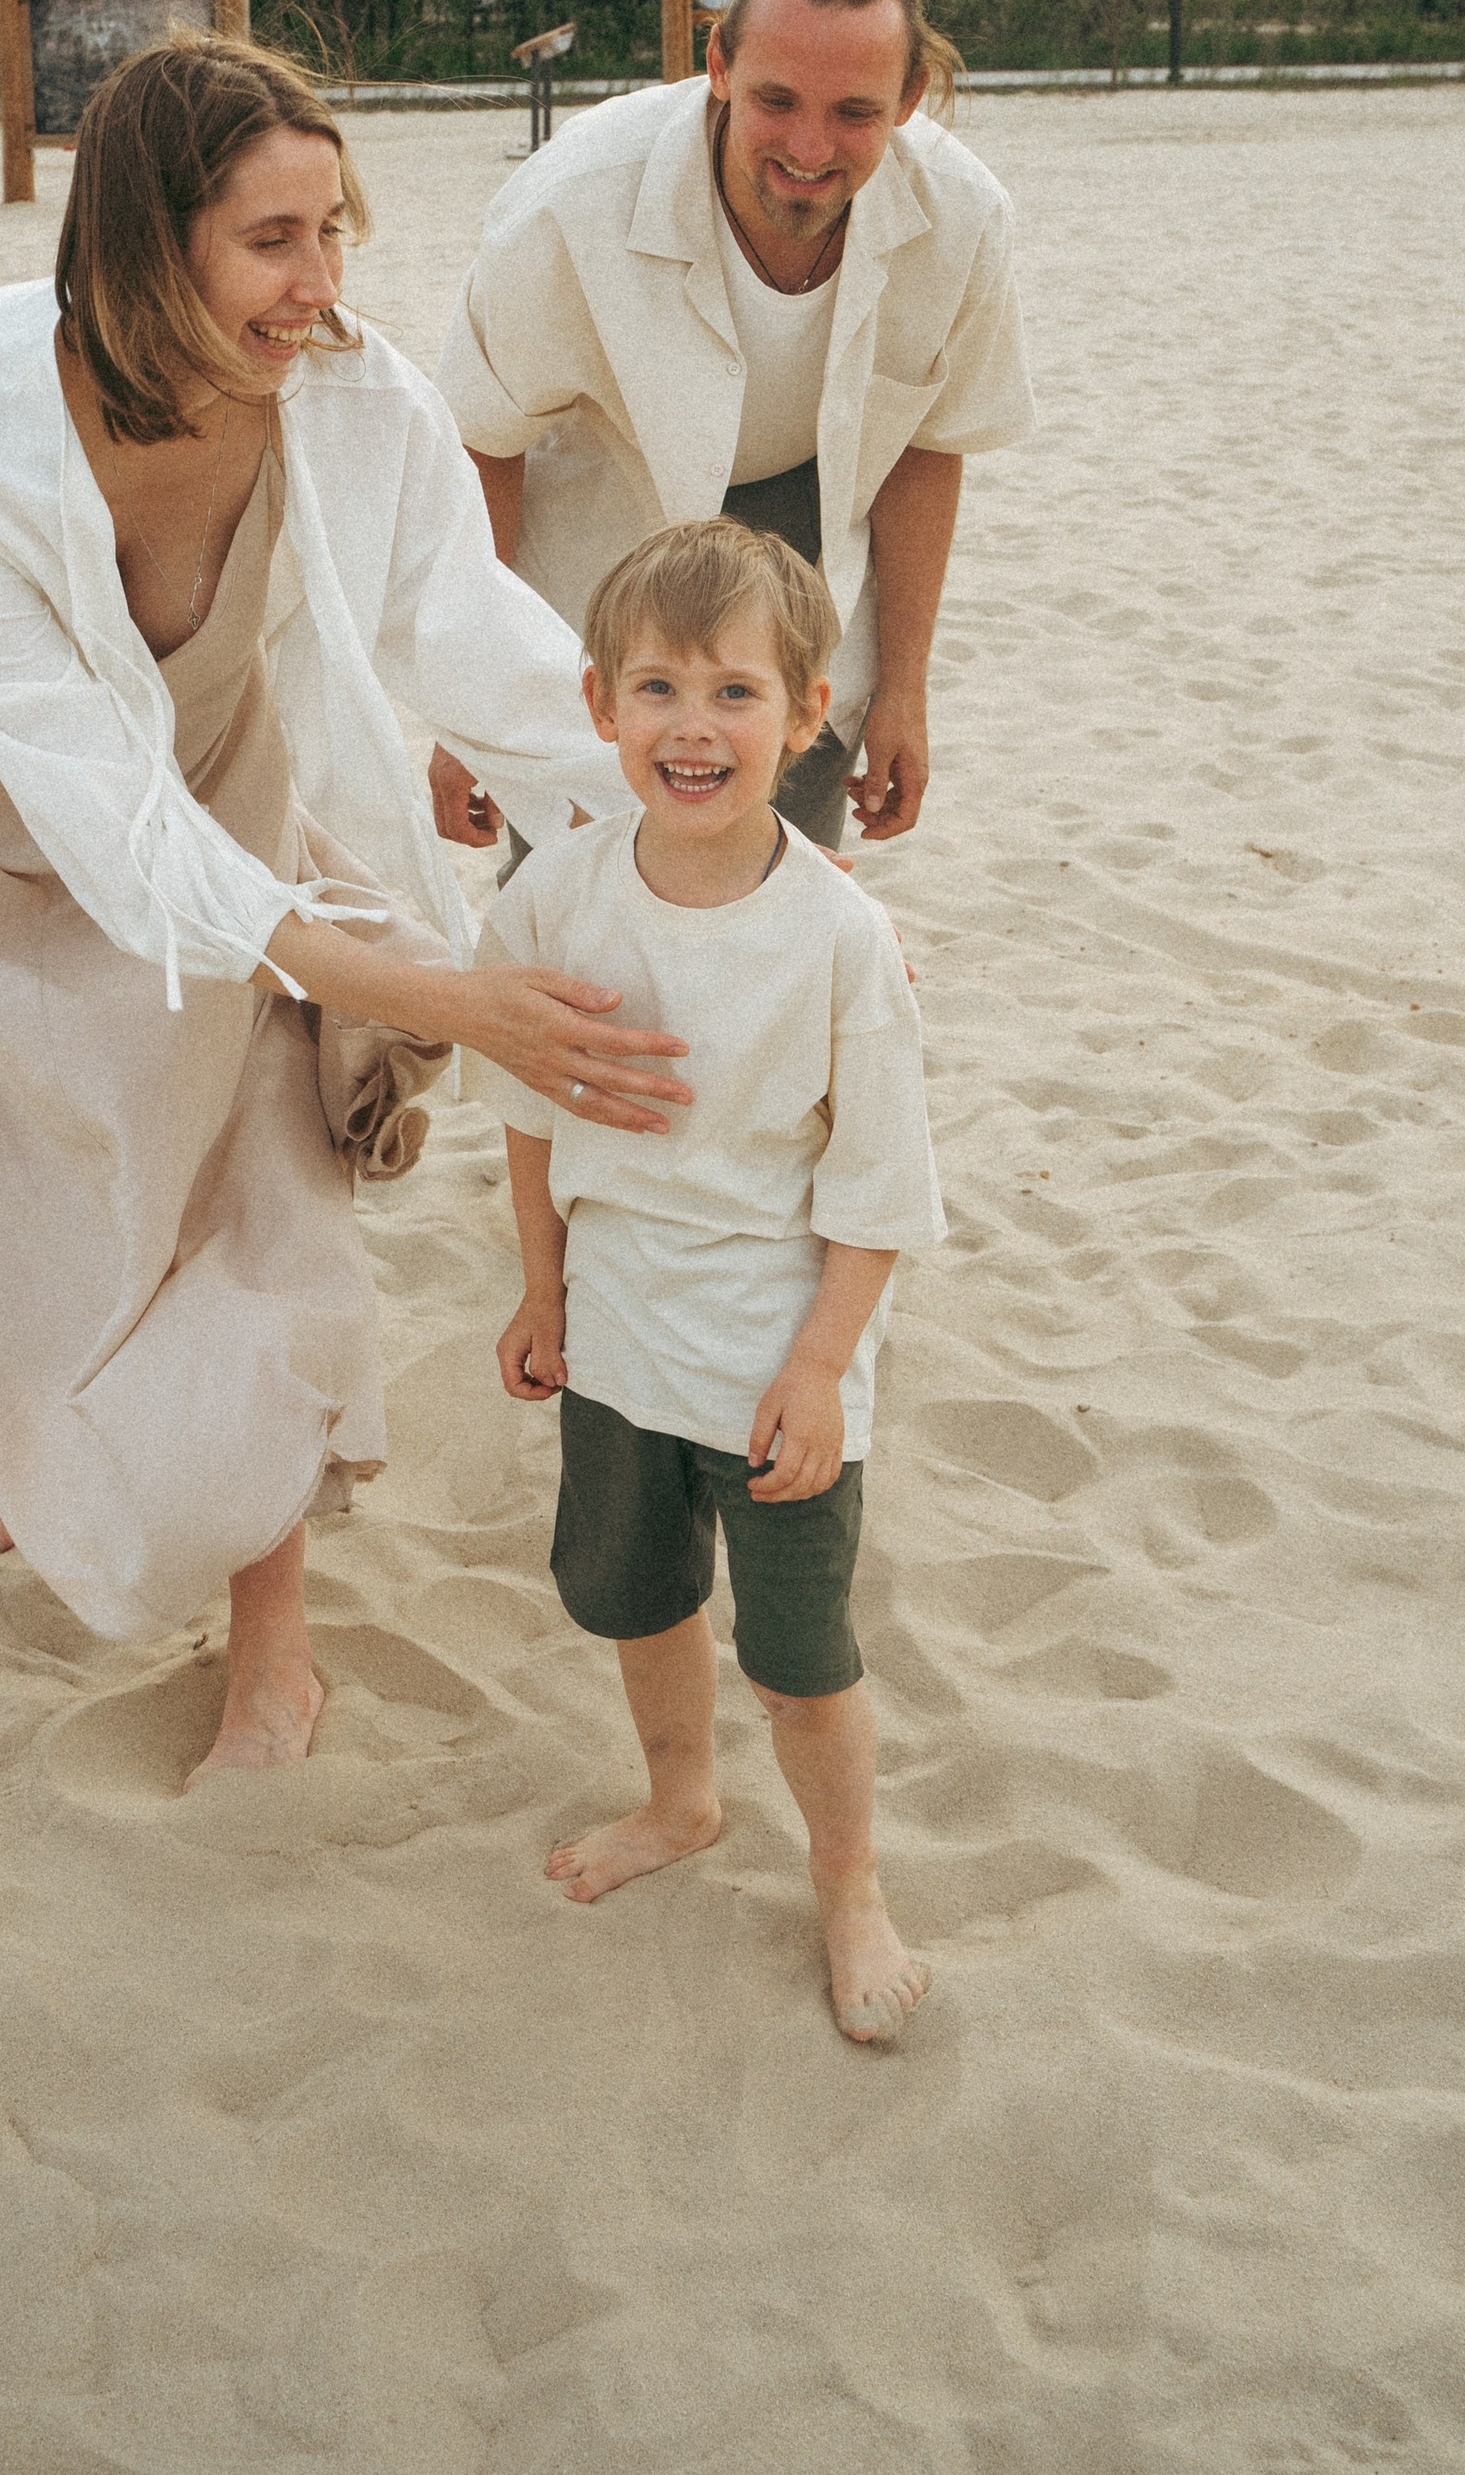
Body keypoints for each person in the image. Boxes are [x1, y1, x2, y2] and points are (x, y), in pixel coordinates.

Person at [0, 39, 691, 1787]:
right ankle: (32, 1428)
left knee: (247, 1140)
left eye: (333, 229)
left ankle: (273, 1648)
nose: (322, 286)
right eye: (273, 242)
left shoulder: (344, 394)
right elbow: (116, 842)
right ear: (149, 248)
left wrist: (682, 809)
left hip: (203, 767)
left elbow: (482, 643)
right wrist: (450, 999)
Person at [482, 516, 945, 2045]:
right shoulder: (555, 895)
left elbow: (878, 1186)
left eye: (737, 694)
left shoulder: (839, 938)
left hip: (775, 1360)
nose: (694, 727)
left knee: (803, 1662)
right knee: (639, 1596)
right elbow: (533, 1115)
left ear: (808, 718)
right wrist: (541, 1290)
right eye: (659, 689)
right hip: (617, 1335)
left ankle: (850, 1883)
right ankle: (680, 1804)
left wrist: (819, 1370)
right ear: (603, 709)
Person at [432, 0, 1032, 856]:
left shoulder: (964, 219)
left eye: (854, 113)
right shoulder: (571, 203)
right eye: (777, 100)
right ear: (718, 63)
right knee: (582, 893)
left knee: (787, 896)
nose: (808, 146)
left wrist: (905, 686)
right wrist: (478, 701)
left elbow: (929, 442)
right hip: (605, 509)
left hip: (814, 516)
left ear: (911, 98)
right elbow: (481, 440)